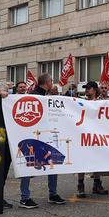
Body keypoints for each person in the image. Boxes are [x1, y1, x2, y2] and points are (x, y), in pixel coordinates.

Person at [19, 73, 66, 208]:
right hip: (32, 136)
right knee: (28, 165)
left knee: (53, 163)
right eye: (51, 80)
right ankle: (24, 197)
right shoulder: (34, 96)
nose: (53, 83)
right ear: (47, 82)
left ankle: (53, 193)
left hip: (46, 136)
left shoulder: (46, 97)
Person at [76, 82, 109, 197]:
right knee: (82, 161)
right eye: (85, 89)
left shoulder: (100, 103)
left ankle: (97, 184)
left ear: (94, 90)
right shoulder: (81, 102)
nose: (86, 91)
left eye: (88, 88)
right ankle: (80, 186)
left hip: (96, 136)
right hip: (83, 135)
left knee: (97, 161)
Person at [0, 84, 14, 209]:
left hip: (7, 145)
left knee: (3, 173)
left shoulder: (10, 106)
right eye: (6, 91)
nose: (8, 93)